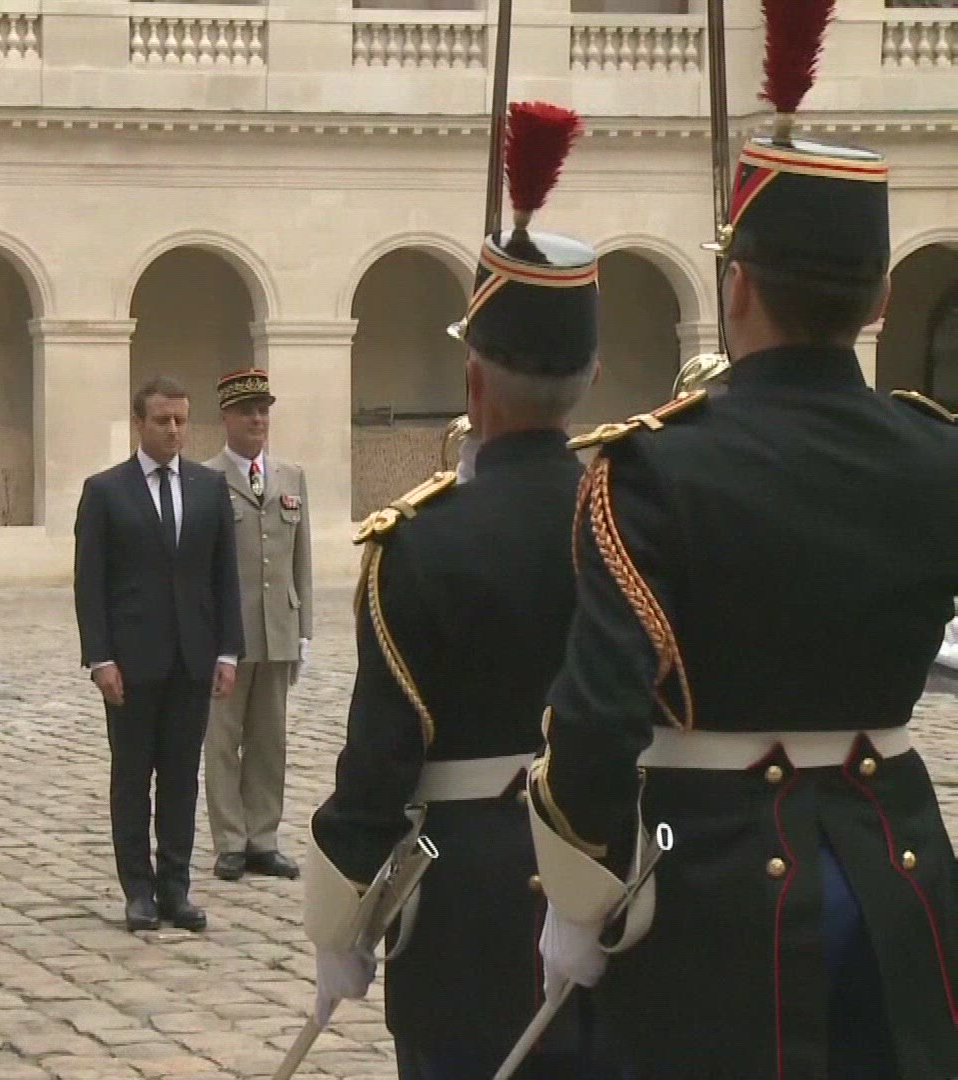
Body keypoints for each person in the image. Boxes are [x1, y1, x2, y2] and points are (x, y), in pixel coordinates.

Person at [529, 17, 958, 1076]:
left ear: (738, 288)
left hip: (710, 884)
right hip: (899, 870)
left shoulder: (652, 469)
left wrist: (579, 901)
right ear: (880, 301)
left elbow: (596, 721)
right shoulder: (938, 456)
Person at [306, 103, 622, 1079]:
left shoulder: (419, 544)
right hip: (621, 881)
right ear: (590, 377)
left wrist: (342, 914)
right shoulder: (636, 523)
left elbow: (381, 757)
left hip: (468, 900)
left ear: (474, 382)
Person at [74, 375, 243, 933]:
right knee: (131, 779)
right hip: (131, 661)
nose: (173, 430)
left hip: (193, 657)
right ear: (139, 423)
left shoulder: (207, 488)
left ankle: (175, 887)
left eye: (181, 420)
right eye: (163, 420)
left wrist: (228, 651)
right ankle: (138, 891)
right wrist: (100, 658)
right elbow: (90, 583)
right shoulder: (106, 491)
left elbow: (224, 576)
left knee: (180, 778)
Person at [201, 369, 309, 882]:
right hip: (228, 633)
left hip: (278, 628)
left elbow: (301, 558)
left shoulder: (291, 476)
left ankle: (263, 838)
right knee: (223, 741)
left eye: (263, 411)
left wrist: (303, 626)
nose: (257, 420)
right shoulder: (205, 479)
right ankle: (230, 841)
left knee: (270, 740)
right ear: (226, 417)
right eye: (247, 412)